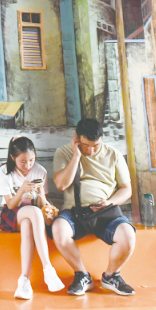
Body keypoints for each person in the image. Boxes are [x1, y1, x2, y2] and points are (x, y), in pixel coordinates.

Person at [50, 117, 137, 297]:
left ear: (102, 139)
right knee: (58, 228)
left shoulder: (113, 154)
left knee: (128, 234)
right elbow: (61, 184)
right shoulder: (64, 152)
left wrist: (110, 202)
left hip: (106, 211)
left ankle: (111, 276)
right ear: (76, 138)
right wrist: (76, 156)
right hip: (75, 212)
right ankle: (82, 275)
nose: (90, 150)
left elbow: (127, 190)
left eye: (95, 146)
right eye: (85, 145)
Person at [0, 135, 64, 299]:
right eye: (23, 161)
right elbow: (10, 205)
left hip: (33, 216)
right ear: (13, 158)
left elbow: (42, 205)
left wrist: (40, 190)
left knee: (29, 222)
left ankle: (24, 282)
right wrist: (21, 190)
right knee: (33, 213)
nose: (28, 165)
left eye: (31, 160)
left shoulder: (40, 171)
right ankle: (48, 268)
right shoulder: (4, 172)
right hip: (12, 213)